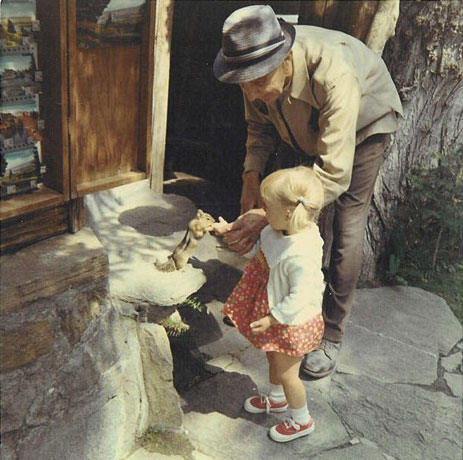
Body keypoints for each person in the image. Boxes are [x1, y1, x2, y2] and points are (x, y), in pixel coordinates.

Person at [212, 5, 403, 378]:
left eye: (255, 82)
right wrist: (250, 179)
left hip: (363, 131)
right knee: (285, 216)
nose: (250, 93)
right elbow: (259, 130)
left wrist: (268, 216)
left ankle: (330, 334)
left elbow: (333, 173)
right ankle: (283, 305)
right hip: (304, 128)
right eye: (243, 83)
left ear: (285, 60)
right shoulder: (254, 71)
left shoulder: (334, 73)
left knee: (344, 229)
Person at [215, 166, 325, 443]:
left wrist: (274, 318)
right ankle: (277, 400)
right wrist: (226, 232)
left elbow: (302, 295)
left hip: (292, 320)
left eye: (267, 207)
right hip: (276, 311)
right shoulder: (279, 231)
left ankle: (302, 420)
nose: (262, 212)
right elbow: (261, 251)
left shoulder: (300, 254)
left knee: (289, 374)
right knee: (272, 358)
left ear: (288, 212)